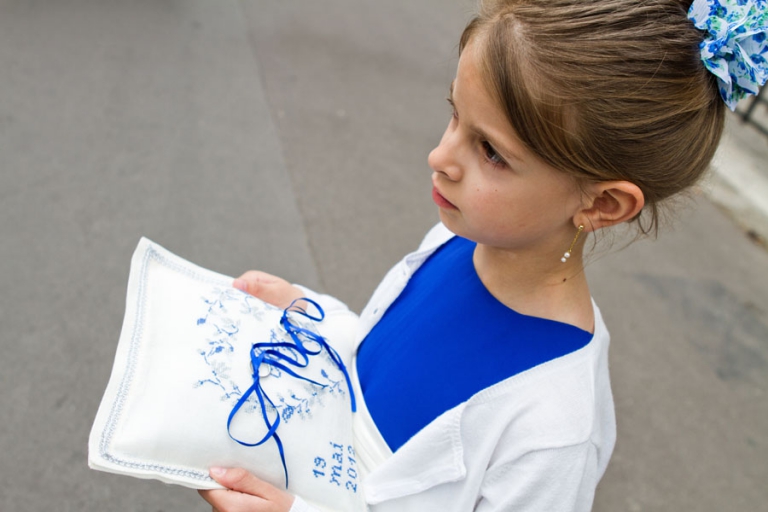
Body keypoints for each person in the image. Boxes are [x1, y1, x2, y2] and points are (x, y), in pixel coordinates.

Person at [198, 0, 767, 510]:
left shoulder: (554, 429)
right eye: (454, 115)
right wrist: (312, 313)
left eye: (491, 151)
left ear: (604, 203)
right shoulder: (452, 242)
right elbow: (376, 376)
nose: (439, 156)